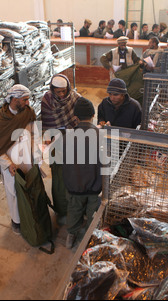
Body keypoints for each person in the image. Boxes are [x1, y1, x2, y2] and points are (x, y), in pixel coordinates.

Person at [0, 84, 37, 234]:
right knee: (14, 193)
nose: (28, 103)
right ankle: (17, 222)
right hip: (12, 164)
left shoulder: (28, 113)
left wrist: (37, 153)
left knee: (30, 188)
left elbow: (34, 132)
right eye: (25, 99)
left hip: (27, 160)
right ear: (14, 99)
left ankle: (31, 217)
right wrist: (8, 164)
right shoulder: (0, 120)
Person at [61, 97, 103, 248]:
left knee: (74, 211)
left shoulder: (67, 138)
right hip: (95, 188)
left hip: (75, 187)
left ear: (76, 118)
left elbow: (64, 164)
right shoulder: (102, 137)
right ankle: (90, 238)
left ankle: (71, 235)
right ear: (93, 115)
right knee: (93, 214)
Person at [41, 74, 81, 222]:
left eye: (64, 91)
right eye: (58, 92)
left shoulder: (75, 97)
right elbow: (46, 123)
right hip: (55, 141)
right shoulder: (47, 100)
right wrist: (47, 141)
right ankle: (61, 210)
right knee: (58, 177)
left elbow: (82, 115)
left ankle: (75, 206)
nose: (62, 94)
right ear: (52, 90)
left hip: (72, 138)